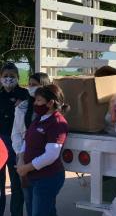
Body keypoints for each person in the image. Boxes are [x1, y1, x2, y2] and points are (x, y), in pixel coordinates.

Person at [16, 84, 69, 216]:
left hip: (47, 178)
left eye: (39, 100)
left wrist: (27, 167)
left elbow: (51, 155)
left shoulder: (57, 123)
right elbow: (26, 141)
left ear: (50, 103)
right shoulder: (39, 118)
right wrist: (21, 160)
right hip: (30, 176)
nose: (35, 103)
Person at [0, 62, 28, 216]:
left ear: (18, 77)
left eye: (12, 76)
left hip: (16, 144)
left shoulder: (24, 94)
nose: (8, 79)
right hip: (0, 143)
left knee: (17, 184)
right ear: (0, 78)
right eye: (5, 76)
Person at [12, 73, 51, 155]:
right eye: (29, 84)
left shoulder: (51, 109)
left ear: (44, 86)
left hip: (43, 152)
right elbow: (16, 132)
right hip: (24, 151)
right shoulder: (22, 107)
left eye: (34, 85)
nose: (31, 87)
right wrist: (20, 153)